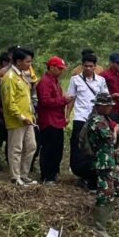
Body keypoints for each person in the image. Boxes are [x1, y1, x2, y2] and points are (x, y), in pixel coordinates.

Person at [86, 93, 119, 237]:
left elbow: (107, 145)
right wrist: (115, 131)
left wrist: (115, 152)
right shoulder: (97, 120)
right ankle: (99, 226)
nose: (110, 108)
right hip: (102, 162)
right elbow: (110, 138)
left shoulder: (103, 119)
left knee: (116, 187)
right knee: (105, 192)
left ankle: (106, 220)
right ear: (101, 106)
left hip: (108, 159)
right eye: (108, 106)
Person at [67, 52, 108, 188]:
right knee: (79, 146)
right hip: (80, 117)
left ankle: (92, 174)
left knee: (94, 147)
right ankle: (79, 171)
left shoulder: (101, 81)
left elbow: (104, 99)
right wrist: (67, 115)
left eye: (91, 66)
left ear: (95, 67)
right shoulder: (75, 80)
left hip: (95, 118)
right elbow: (71, 98)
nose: (88, 68)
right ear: (82, 66)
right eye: (85, 66)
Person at [1, 47, 38, 186]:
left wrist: (30, 115)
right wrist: (21, 116)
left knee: (31, 146)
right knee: (16, 148)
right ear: (18, 61)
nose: (30, 65)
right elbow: (9, 102)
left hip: (28, 119)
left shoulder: (22, 75)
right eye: (28, 62)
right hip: (16, 120)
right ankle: (15, 177)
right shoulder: (9, 78)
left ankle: (24, 174)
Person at [36, 56, 72, 184]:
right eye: (59, 68)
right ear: (51, 67)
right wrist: (63, 100)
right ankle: (47, 175)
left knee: (57, 148)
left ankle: (53, 173)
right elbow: (45, 101)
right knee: (49, 149)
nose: (61, 71)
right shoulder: (45, 82)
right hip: (49, 121)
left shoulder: (55, 81)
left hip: (57, 120)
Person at [100, 52, 119, 124]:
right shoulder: (104, 75)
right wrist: (111, 96)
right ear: (111, 63)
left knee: (117, 132)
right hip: (108, 109)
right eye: (118, 63)